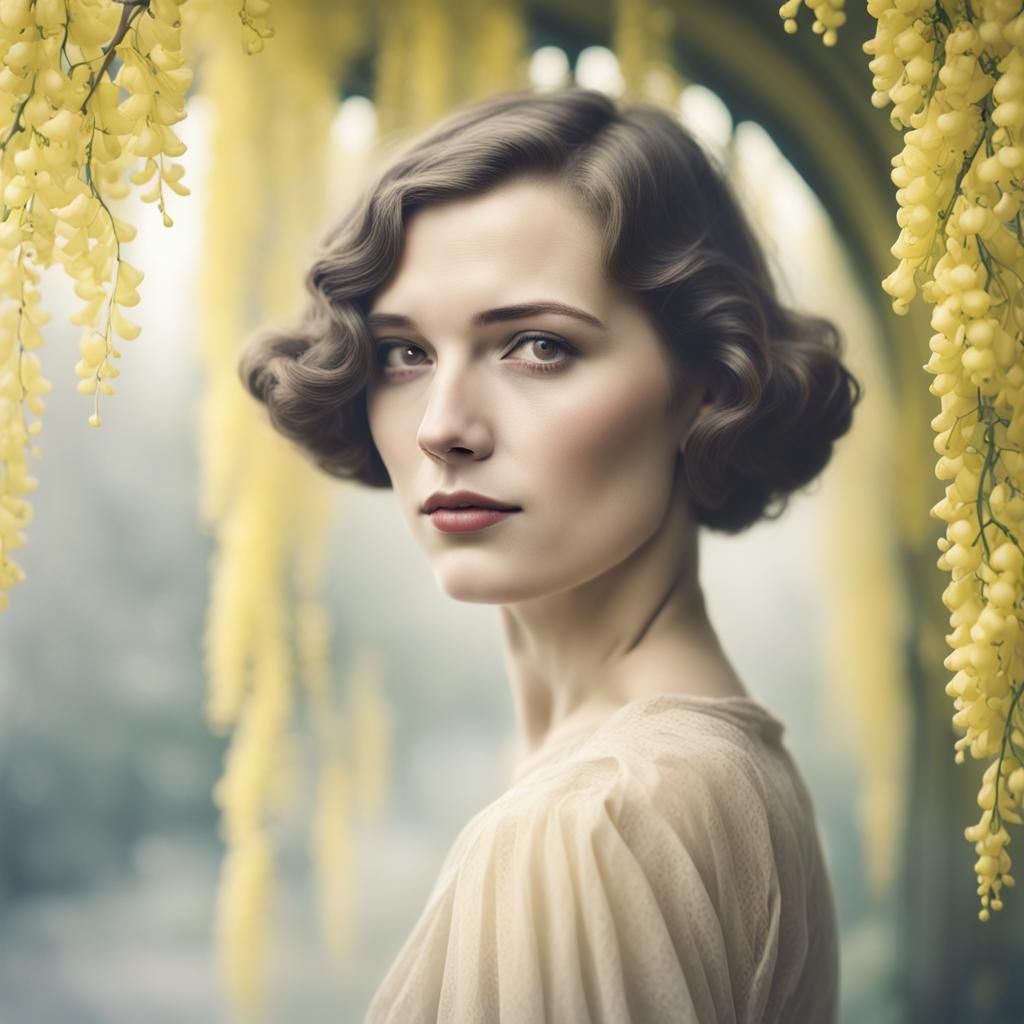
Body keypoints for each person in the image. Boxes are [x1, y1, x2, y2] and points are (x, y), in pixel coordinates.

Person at [239, 85, 861, 1023]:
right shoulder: (720, 771)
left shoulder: (591, 824)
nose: (444, 428)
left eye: (535, 346)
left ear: (707, 383)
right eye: (404, 354)